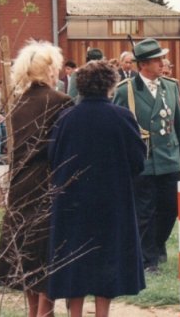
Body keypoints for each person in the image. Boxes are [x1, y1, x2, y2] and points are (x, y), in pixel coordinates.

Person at [47, 60, 146, 316]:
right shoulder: (122, 117)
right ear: (110, 85)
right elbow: (138, 161)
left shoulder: (66, 118)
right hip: (111, 202)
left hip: (72, 202)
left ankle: (75, 314)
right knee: (108, 261)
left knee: (74, 261)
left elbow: (53, 159)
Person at [0, 40, 73, 317]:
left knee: (27, 252)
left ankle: (33, 312)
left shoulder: (17, 103)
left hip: (20, 183)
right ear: (50, 69)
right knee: (46, 253)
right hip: (46, 182)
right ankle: (44, 313)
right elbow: (63, 148)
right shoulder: (61, 102)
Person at [113, 38, 180, 274]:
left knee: (170, 208)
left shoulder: (170, 86)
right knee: (144, 211)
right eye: (157, 59)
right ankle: (148, 260)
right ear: (144, 64)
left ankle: (157, 245)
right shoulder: (125, 90)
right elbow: (120, 127)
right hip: (143, 161)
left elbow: (179, 121)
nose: (163, 63)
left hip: (169, 160)